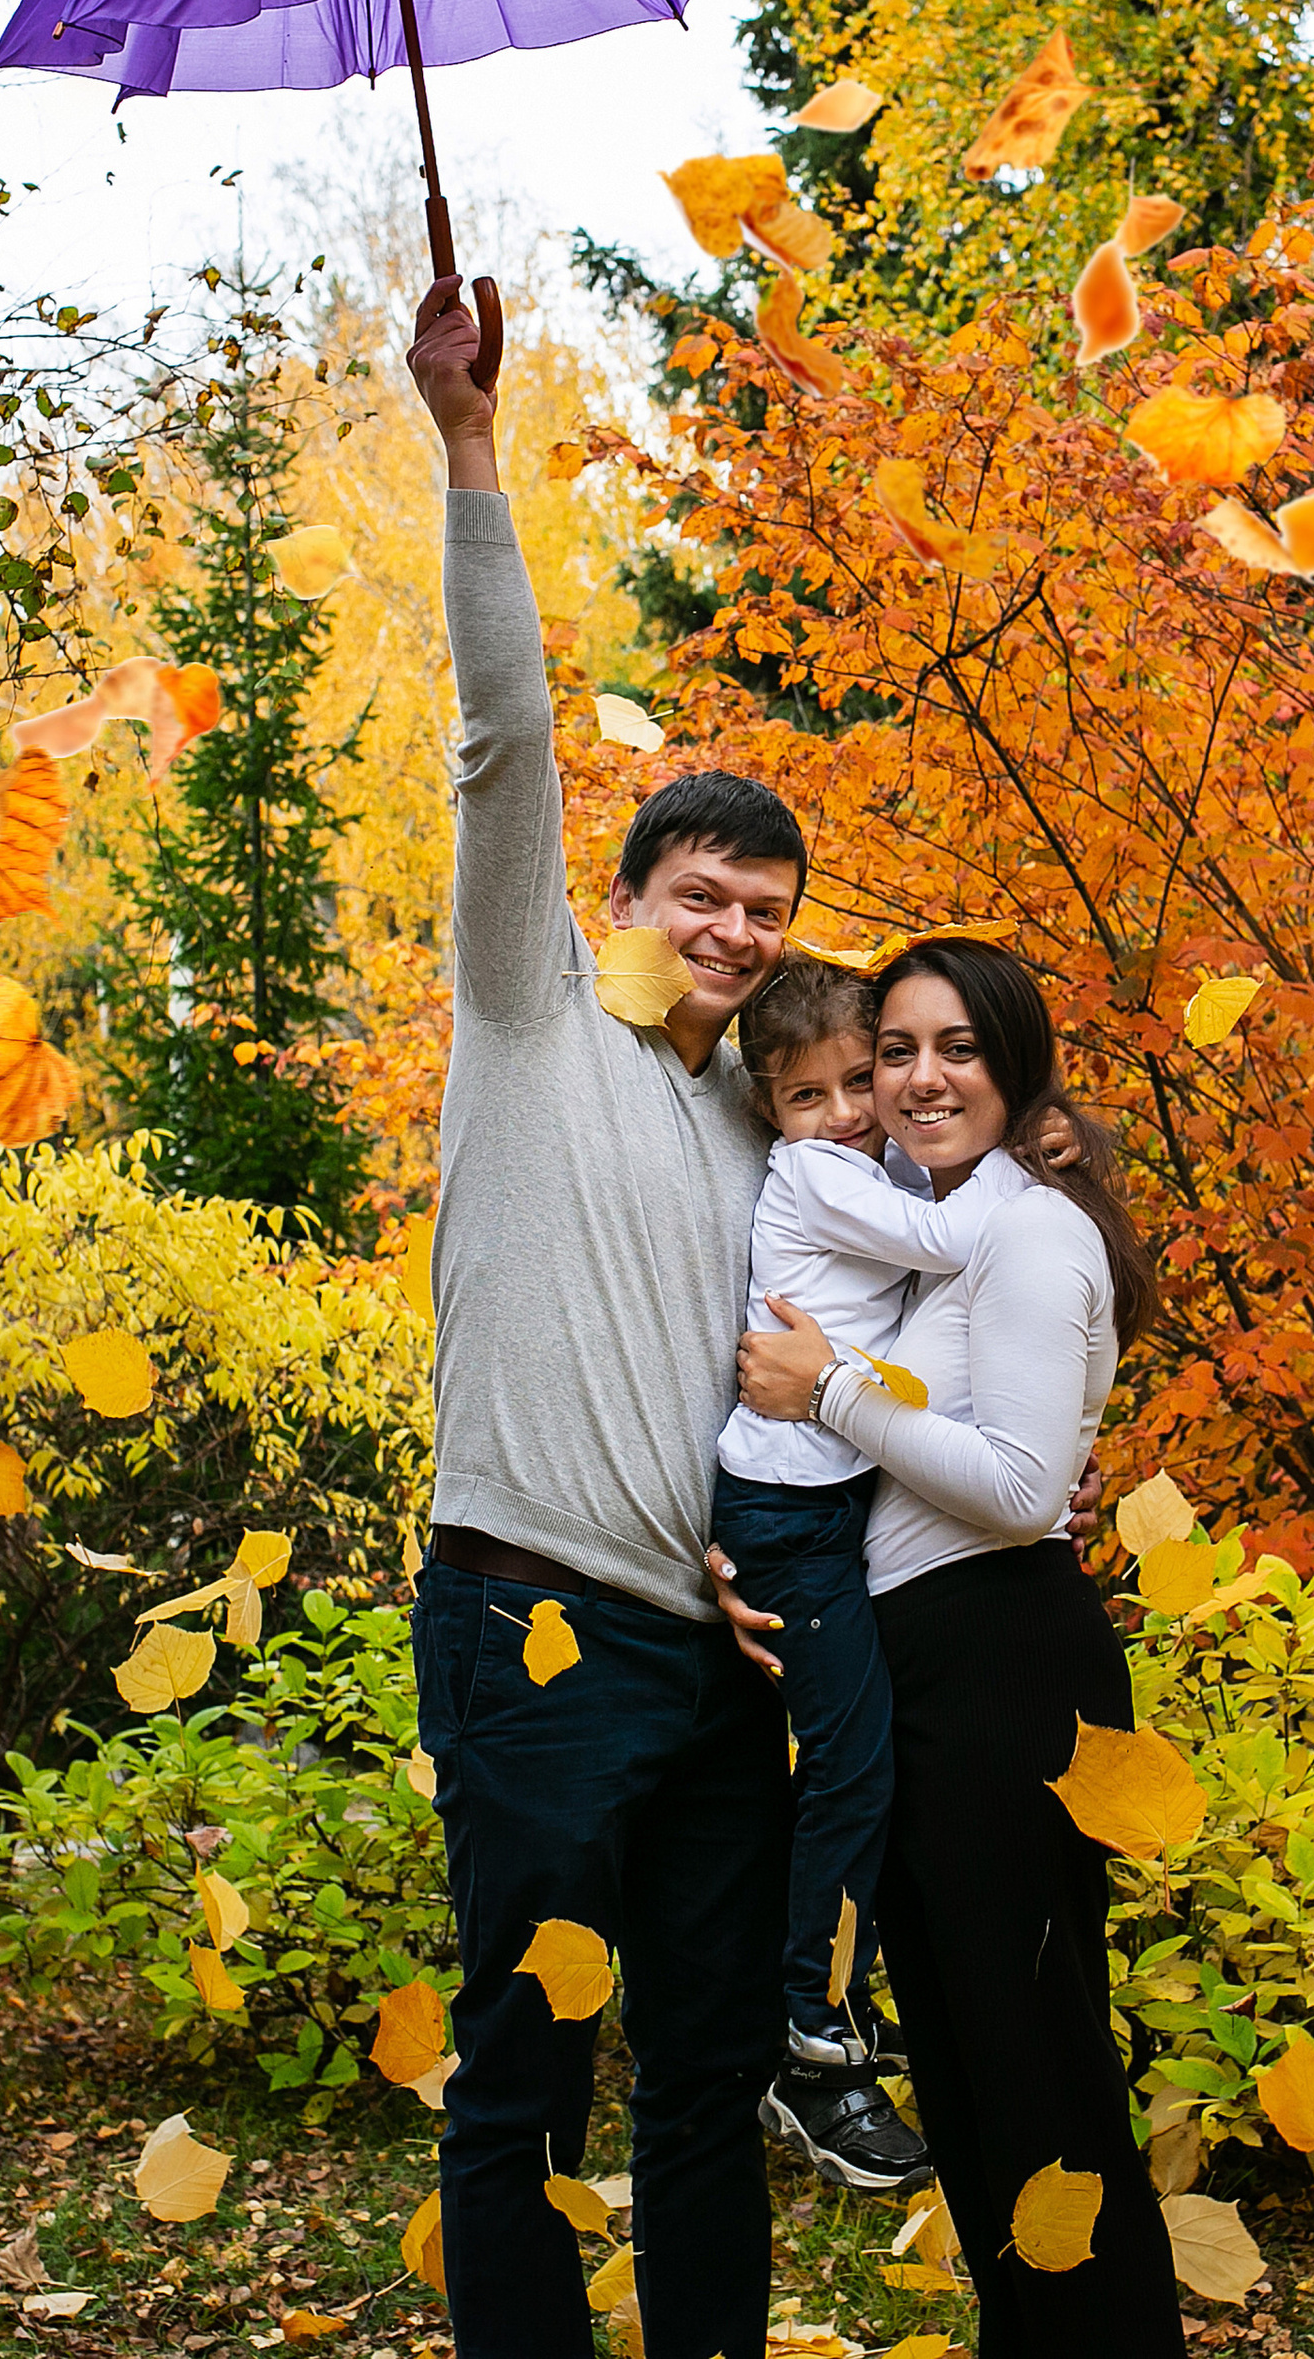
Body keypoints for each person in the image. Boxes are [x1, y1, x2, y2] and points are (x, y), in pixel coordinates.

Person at [403, 274, 801, 2359]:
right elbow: (504, 742)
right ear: (629, 895)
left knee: (707, 2083)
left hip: (710, 1669)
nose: (729, 930)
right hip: (532, 1625)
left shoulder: (763, 1133)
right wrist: (473, 441)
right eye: (699, 894)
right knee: (525, 2084)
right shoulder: (529, 1007)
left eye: (763, 909)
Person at [721, 938, 1187, 2357]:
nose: (920, 1081)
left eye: (956, 1051)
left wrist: (830, 1390)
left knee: (1036, 2075)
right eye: (897, 1052)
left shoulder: (1026, 1230)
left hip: (1004, 1669)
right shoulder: (937, 1222)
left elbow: (1023, 1489)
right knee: (977, 2074)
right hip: (922, 1659)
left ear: (1017, 1065)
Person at [713, 956, 1009, 2194]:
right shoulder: (818, 1175)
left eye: (855, 1080)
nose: (841, 1110)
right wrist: (1040, 1155)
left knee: (865, 1757)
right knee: (850, 1760)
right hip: (788, 1513)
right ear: (769, 1113)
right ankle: (809, 2027)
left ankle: (833, 2005)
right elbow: (951, 1242)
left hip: (827, 1501)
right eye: (804, 1093)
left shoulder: (861, 1159)